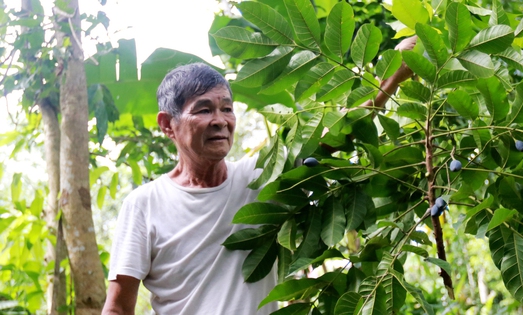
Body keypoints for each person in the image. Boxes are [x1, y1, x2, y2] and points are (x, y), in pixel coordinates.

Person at [102, 36, 416, 315]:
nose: (220, 121)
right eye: (203, 110)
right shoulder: (144, 205)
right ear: (167, 124)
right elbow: (117, 307)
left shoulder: (261, 176)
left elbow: (332, 134)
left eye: (227, 108)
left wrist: (390, 78)